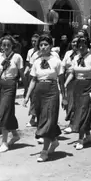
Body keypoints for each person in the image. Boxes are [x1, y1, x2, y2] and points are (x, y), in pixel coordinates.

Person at [24, 34, 65, 162]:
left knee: (48, 118)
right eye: (41, 45)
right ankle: (54, 140)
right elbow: (33, 80)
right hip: (38, 92)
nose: (43, 47)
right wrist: (26, 97)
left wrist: (64, 97)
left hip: (52, 90)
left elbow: (61, 81)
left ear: (51, 46)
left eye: (45, 44)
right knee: (43, 119)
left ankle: (44, 151)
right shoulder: (36, 62)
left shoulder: (57, 61)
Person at [0, 35, 27, 153]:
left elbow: (22, 74)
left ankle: (4, 142)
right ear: (1, 46)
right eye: (4, 45)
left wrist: (27, 89)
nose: (6, 47)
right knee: (7, 111)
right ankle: (15, 135)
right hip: (0, 85)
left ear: (12, 45)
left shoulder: (17, 57)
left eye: (8, 45)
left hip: (11, 85)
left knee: (3, 111)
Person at [64, 36, 91, 150]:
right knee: (78, 110)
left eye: (83, 45)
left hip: (88, 86)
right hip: (77, 86)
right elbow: (73, 73)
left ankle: (80, 139)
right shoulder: (76, 58)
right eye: (79, 45)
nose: (81, 47)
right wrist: (65, 84)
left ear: (88, 46)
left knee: (83, 112)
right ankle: (88, 135)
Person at [61, 36, 79, 133]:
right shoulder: (68, 53)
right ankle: (72, 122)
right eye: (73, 42)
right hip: (67, 77)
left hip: (77, 77)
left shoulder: (82, 54)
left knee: (75, 101)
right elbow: (63, 66)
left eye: (77, 42)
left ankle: (73, 123)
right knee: (68, 100)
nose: (75, 44)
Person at [23, 34, 40, 127]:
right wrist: (25, 73)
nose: (33, 43)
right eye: (32, 41)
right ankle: (34, 116)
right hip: (31, 76)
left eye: (35, 41)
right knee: (31, 97)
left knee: (36, 97)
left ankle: (34, 117)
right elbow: (28, 64)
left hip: (39, 77)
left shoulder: (41, 52)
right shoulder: (30, 51)